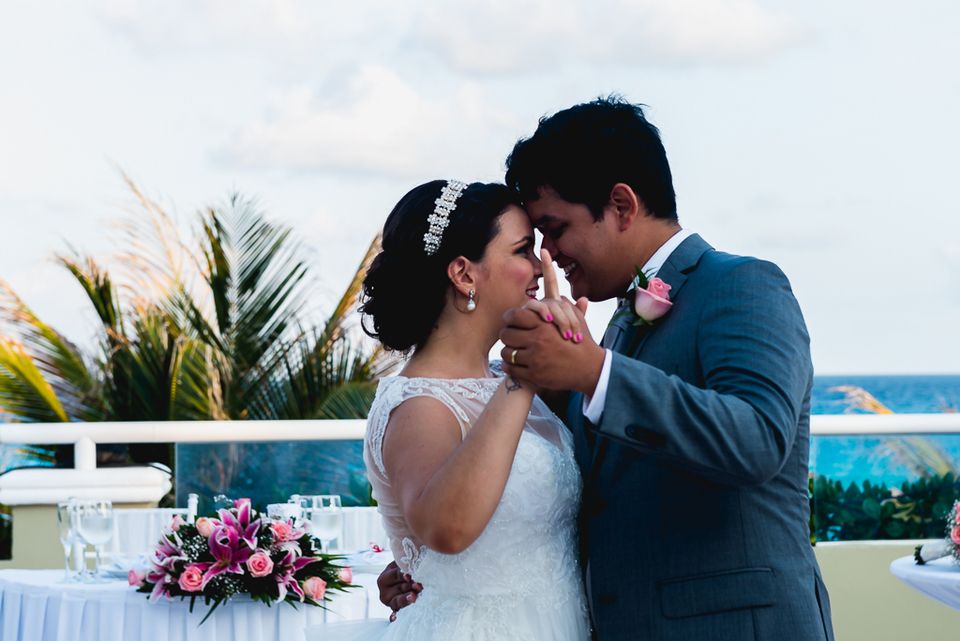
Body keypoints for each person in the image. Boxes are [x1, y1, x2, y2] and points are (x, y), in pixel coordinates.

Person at [384, 97, 836, 641]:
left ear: (621, 204)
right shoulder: (619, 322)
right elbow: (587, 485)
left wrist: (596, 371)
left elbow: (759, 438)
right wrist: (449, 578)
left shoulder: (742, 285)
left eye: (554, 228)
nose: (548, 254)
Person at [307, 180, 591, 640]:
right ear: (464, 274)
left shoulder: (510, 379)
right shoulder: (420, 405)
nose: (542, 267)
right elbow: (447, 531)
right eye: (522, 251)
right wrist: (526, 371)